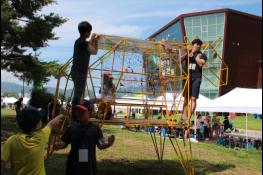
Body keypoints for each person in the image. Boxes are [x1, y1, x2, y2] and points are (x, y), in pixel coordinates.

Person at [54, 100, 115, 175]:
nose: (79, 113)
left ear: (90, 112)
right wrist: (58, 145)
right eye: (78, 110)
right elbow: (64, 143)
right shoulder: (71, 128)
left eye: (82, 111)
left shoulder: (96, 129)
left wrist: (108, 144)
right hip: (73, 167)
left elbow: (100, 145)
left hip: (89, 167)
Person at [1, 107, 64, 175]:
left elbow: (2, 161)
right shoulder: (41, 136)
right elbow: (51, 124)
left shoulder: (12, 140)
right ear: (37, 125)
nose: (41, 120)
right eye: (39, 119)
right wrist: (61, 116)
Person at [71, 21, 100, 121]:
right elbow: (89, 48)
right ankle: (74, 117)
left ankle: (77, 115)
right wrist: (93, 39)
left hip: (80, 72)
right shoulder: (80, 42)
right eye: (89, 32)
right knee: (78, 94)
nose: (89, 34)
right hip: (78, 71)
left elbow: (94, 52)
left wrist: (96, 41)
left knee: (80, 94)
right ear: (86, 32)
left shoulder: (84, 43)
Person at [180, 38, 207, 124]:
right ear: (193, 45)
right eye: (196, 44)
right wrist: (188, 53)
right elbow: (179, 60)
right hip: (187, 77)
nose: (198, 46)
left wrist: (195, 54)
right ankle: (184, 117)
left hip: (197, 77)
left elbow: (200, 63)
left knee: (193, 99)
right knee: (186, 99)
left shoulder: (202, 55)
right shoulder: (187, 53)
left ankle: (189, 118)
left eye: (199, 45)